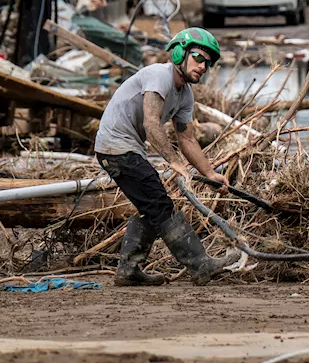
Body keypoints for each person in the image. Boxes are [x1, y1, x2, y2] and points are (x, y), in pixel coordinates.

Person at [95, 28, 240, 286]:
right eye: (198, 57)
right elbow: (152, 124)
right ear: (178, 53)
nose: (203, 66)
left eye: (208, 63)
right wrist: (175, 163)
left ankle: (129, 270)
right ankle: (200, 264)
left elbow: (187, 139)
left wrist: (209, 173)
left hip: (128, 149)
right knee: (160, 205)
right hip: (115, 147)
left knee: (152, 206)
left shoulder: (185, 95)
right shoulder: (158, 76)